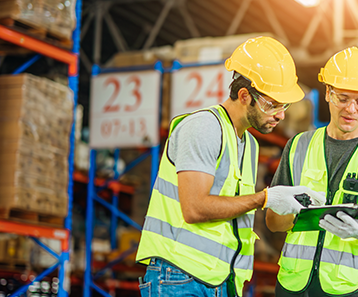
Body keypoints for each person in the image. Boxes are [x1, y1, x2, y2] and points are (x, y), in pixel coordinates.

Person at [135, 36, 325, 297]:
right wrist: (265, 198)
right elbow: (194, 208)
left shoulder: (250, 144)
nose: (280, 114)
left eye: (284, 105)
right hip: (179, 277)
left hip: (221, 279)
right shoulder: (203, 127)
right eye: (272, 104)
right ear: (244, 95)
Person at [266, 47, 358, 297]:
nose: (351, 109)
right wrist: (298, 214)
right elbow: (273, 223)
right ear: (327, 93)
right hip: (292, 284)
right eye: (342, 98)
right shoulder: (298, 146)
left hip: (347, 288)